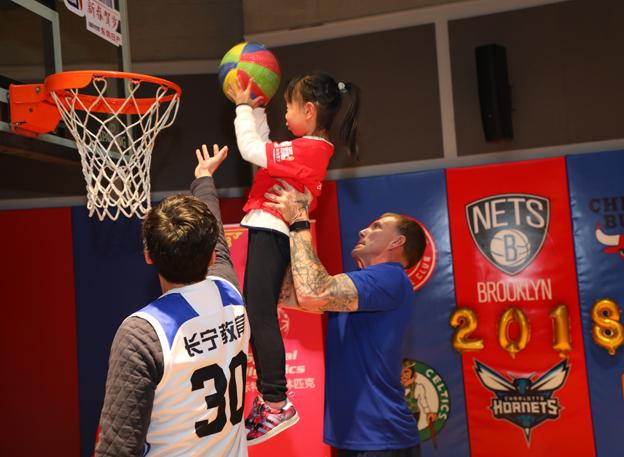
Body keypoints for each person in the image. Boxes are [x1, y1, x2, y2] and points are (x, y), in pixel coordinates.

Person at [226, 72, 361, 444]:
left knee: (260, 313)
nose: (285, 114)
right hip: (270, 227)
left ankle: (275, 401)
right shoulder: (307, 148)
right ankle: (272, 400)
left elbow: (251, 150)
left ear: (309, 110)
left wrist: (241, 107)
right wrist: (257, 112)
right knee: (259, 310)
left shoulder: (312, 148)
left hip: (272, 227)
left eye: (288, 107)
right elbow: (264, 148)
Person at [94, 145, 250, 457]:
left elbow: (118, 449)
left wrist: (204, 180)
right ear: (211, 257)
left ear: (148, 255)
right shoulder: (230, 294)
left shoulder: (143, 333)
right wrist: (204, 179)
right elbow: (217, 241)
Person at [265, 180, 426, 457]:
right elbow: (288, 293)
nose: (363, 231)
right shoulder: (363, 287)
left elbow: (313, 292)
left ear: (397, 242)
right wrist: (276, 227)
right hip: (354, 437)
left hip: (382, 439)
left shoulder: (390, 277)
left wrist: (300, 221)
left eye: (377, 227)